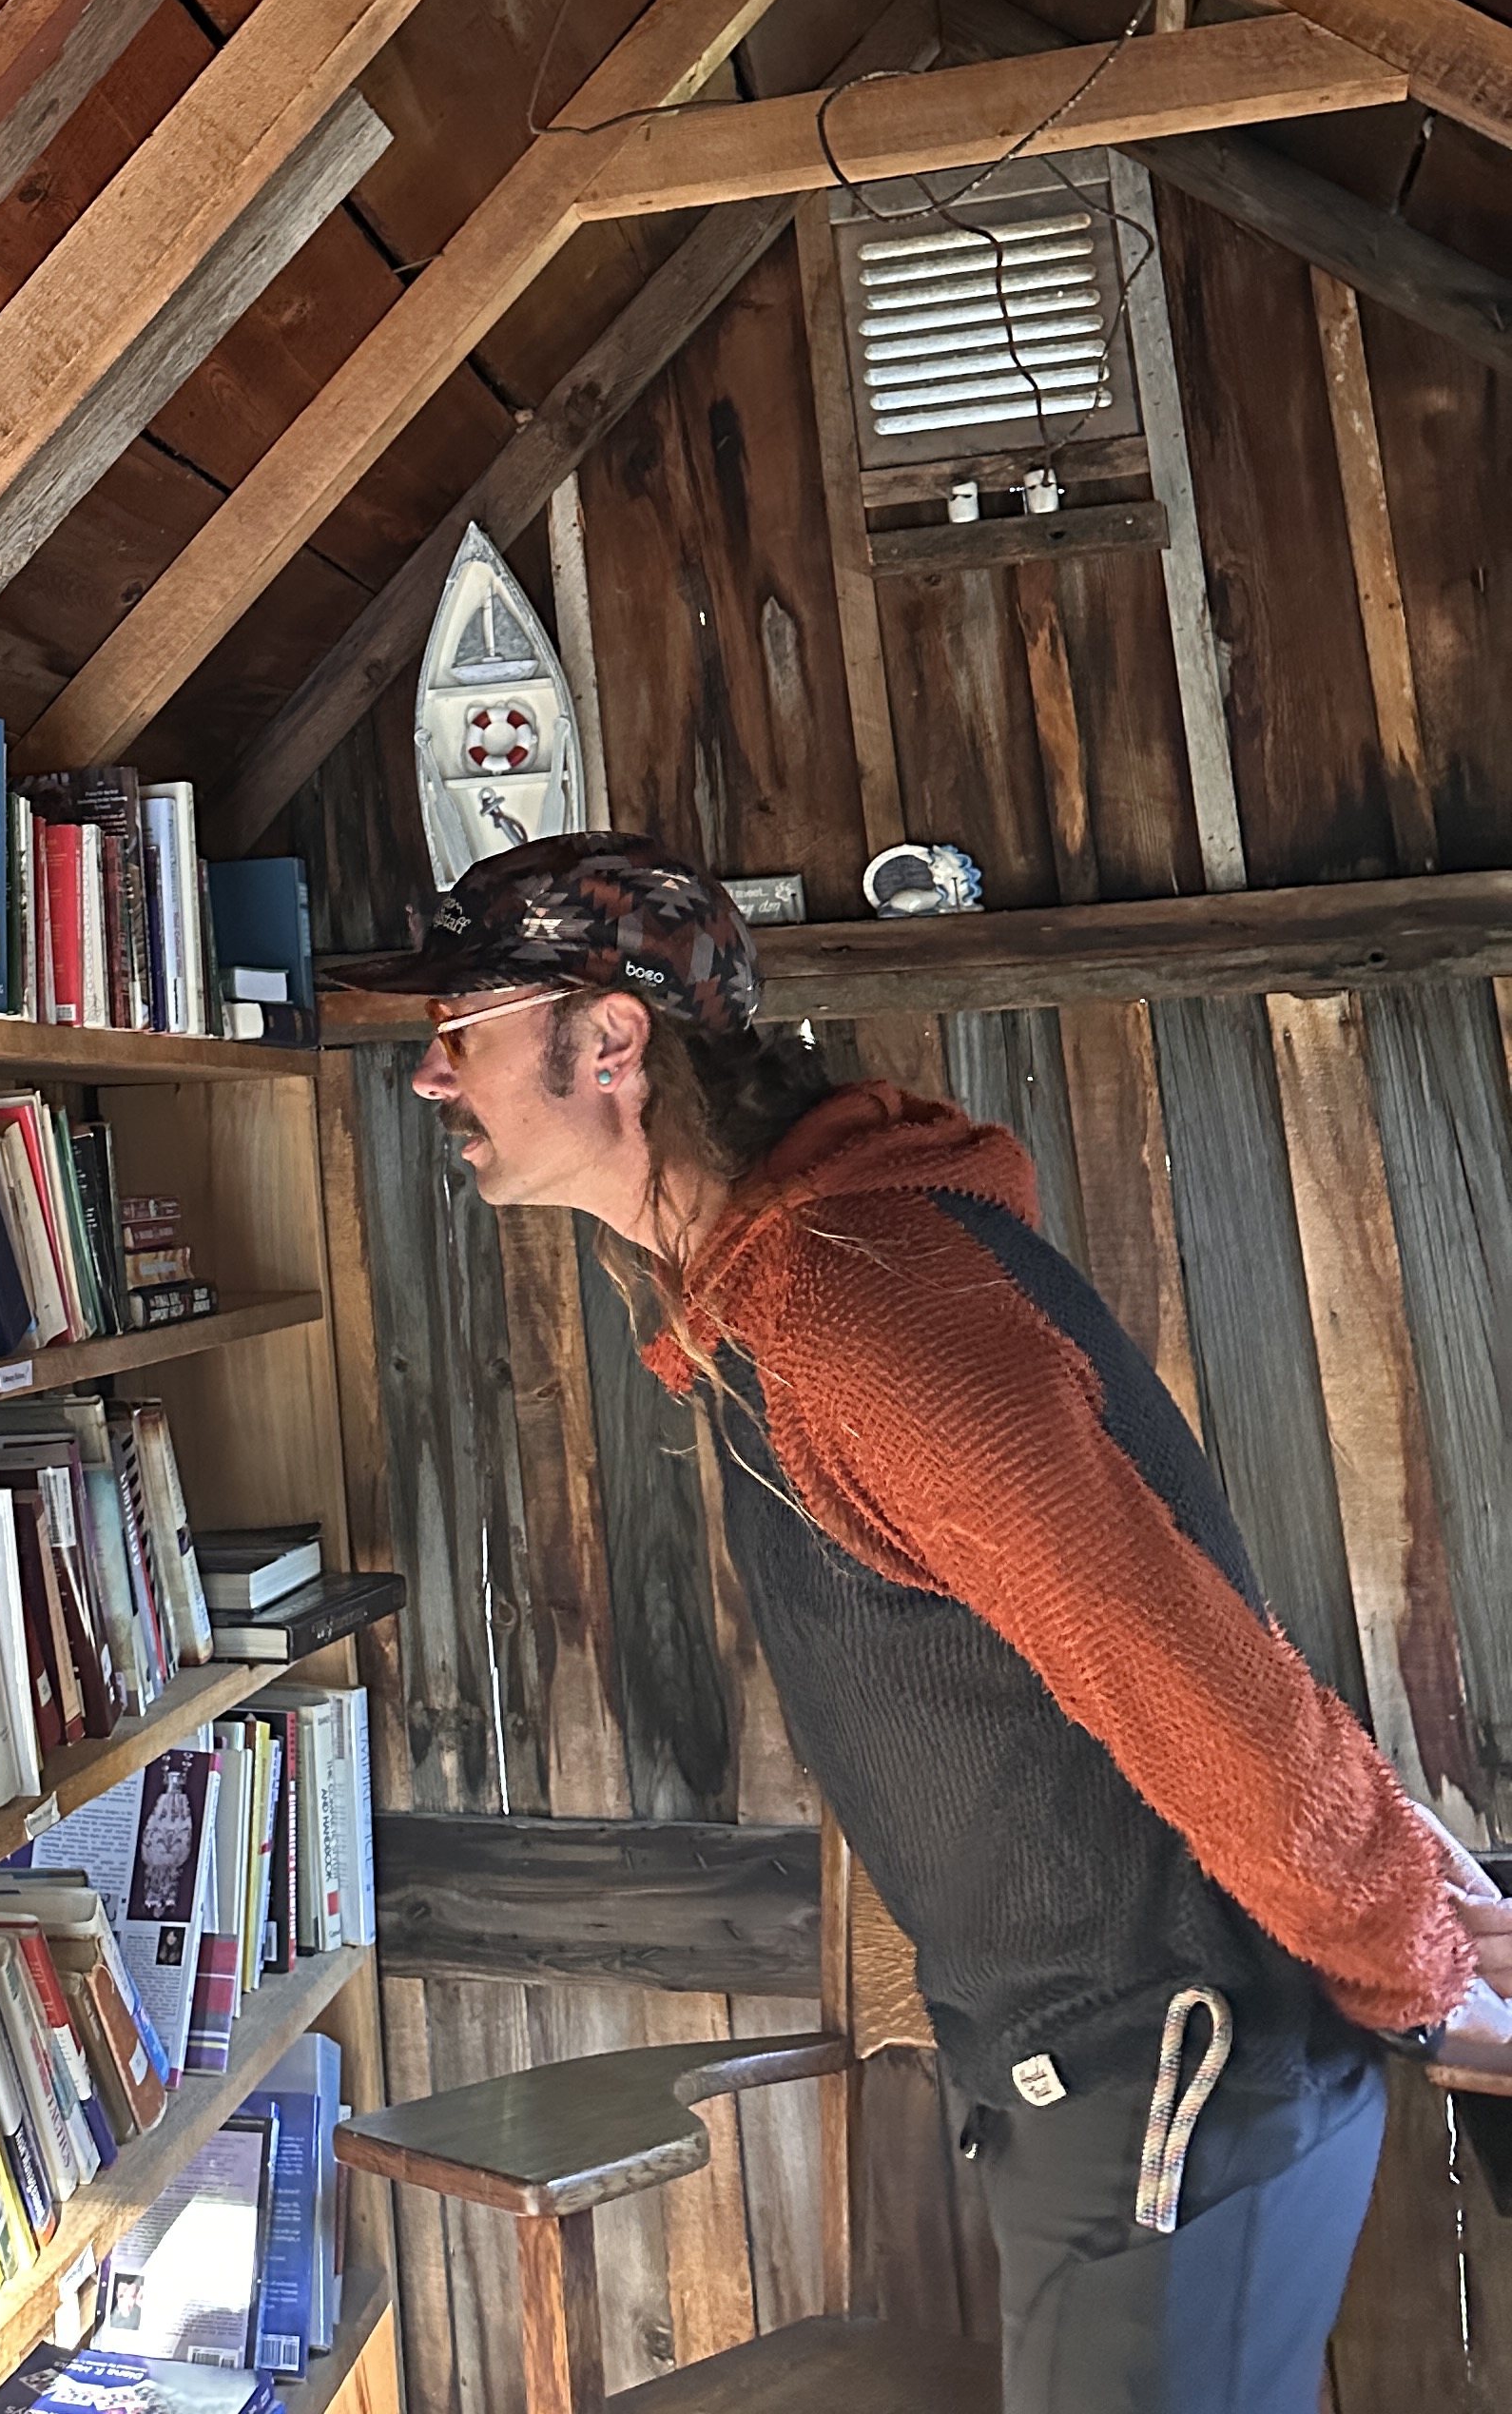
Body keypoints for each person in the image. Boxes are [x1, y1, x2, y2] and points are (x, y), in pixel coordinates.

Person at [338, 831, 1512, 2414]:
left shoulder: (858, 1310)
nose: (430, 1075)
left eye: (458, 1027)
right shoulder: (795, 1289)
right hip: (1135, 2080)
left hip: (1178, 2081)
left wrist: (1415, 1963)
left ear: (610, 1041)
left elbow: (1183, 1667)